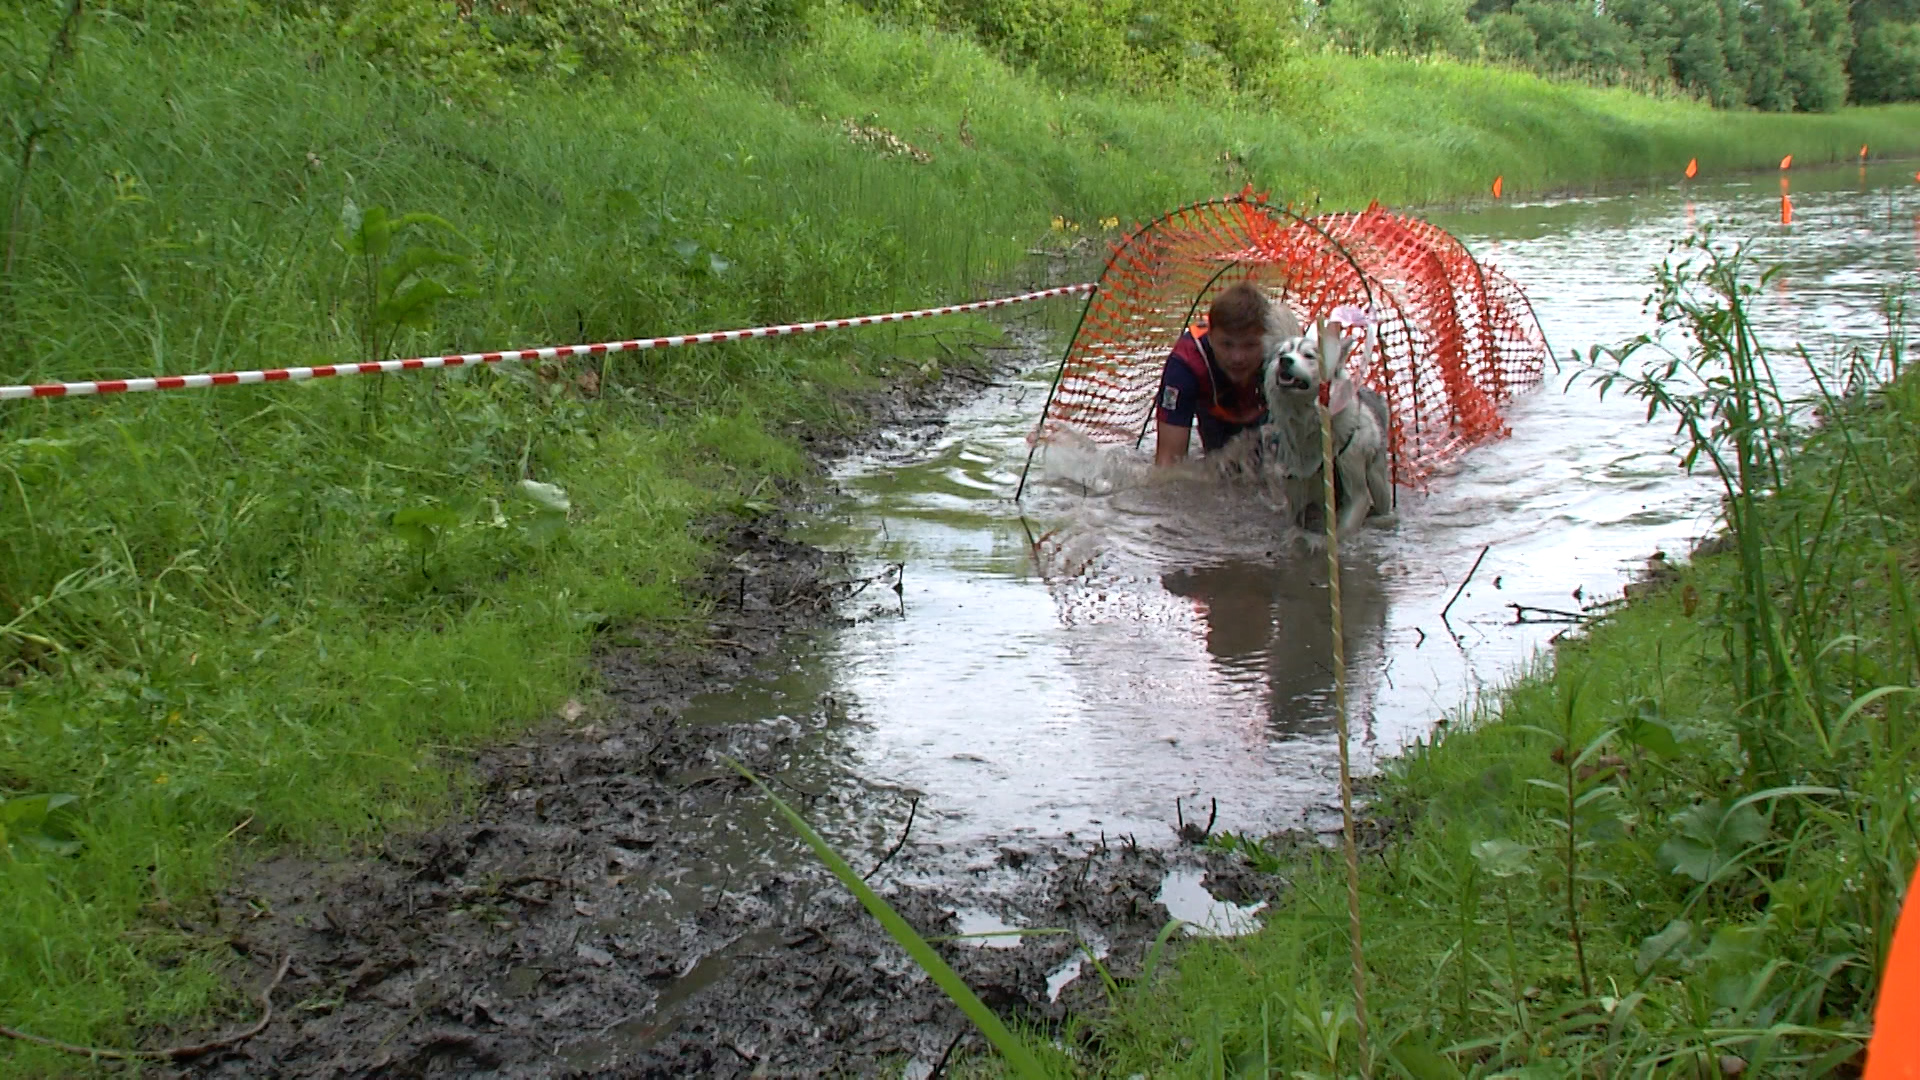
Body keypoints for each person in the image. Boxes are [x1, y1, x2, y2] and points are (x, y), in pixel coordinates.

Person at [1152, 281, 1299, 467]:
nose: (1237, 358)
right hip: (1215, 416)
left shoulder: (1282, 356)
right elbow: (1167, 464)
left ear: (1266, 340)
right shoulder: (1186, 363)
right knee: (1220, 471)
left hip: (1266, 416)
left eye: (1250, 345)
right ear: (1210, 336)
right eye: (1227, 344)